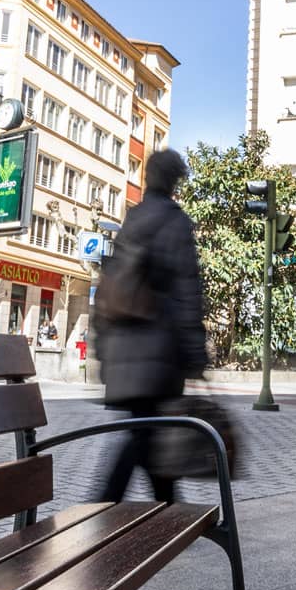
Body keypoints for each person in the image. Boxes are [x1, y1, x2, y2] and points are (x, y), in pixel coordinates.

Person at [93, 149, 206, 505]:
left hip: (124, 350)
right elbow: (187, 292)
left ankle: (169, 509)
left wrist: (101, 350)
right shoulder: (175, 222)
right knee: (145, 436)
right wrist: (195, 354)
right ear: (175, 182)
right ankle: (100, 507)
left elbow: (112, 285)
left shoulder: (132, 221)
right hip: (157, 351)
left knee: (150, 433)